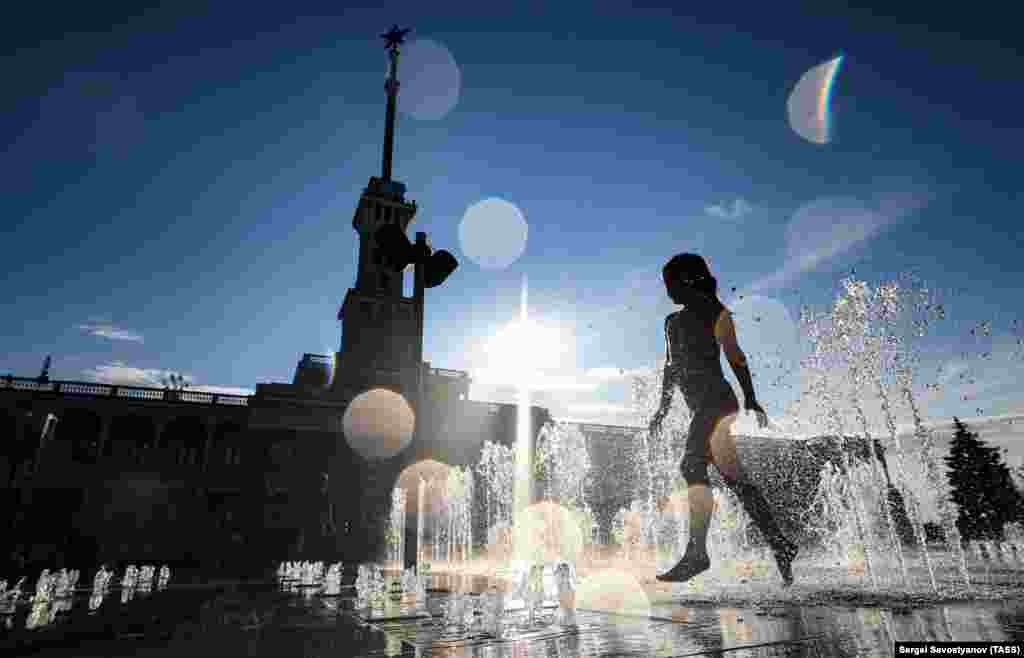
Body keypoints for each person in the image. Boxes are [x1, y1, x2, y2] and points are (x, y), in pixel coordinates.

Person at [649, 253, 797, 586]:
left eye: (670, 283)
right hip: (701, 406)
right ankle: (781, 544)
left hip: (717, 402)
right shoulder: (670, 322)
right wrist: (662, 408)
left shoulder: (716, 313)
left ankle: (697, 553)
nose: (667, 290)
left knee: (690, 465)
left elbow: (734, 355)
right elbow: (670, 368)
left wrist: (751, 396)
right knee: (737, 482)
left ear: (686, 281)